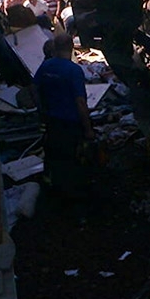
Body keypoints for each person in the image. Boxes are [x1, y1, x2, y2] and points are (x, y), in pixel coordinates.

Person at [33, 33, 95, 220]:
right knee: (73, 163)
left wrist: (42, 110)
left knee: (53, 159)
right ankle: (74, 204)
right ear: (72, 48)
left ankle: (53, 195)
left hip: (51, 123)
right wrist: (88, 129)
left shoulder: (45, 67)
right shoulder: (74, 71)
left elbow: (34, 89)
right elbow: (80, 103)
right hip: (70, 124)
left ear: (53, 48)